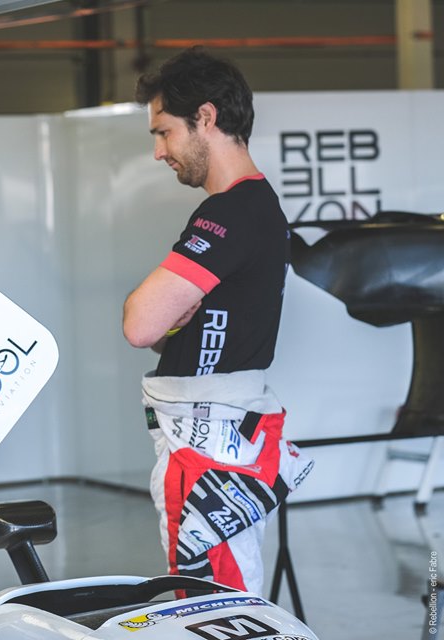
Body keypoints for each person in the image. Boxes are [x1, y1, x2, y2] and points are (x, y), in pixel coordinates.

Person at [121, 46, 313, 595]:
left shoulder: (231, 211)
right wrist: (173, 318)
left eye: (164, 132)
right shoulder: (252, 207)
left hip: (208, 444)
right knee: (216, 593)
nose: (159, 152)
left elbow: (139, 324)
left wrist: (163, 314)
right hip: (213, 436)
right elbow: (164, 327)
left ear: (205, 117)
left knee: (217, 604)